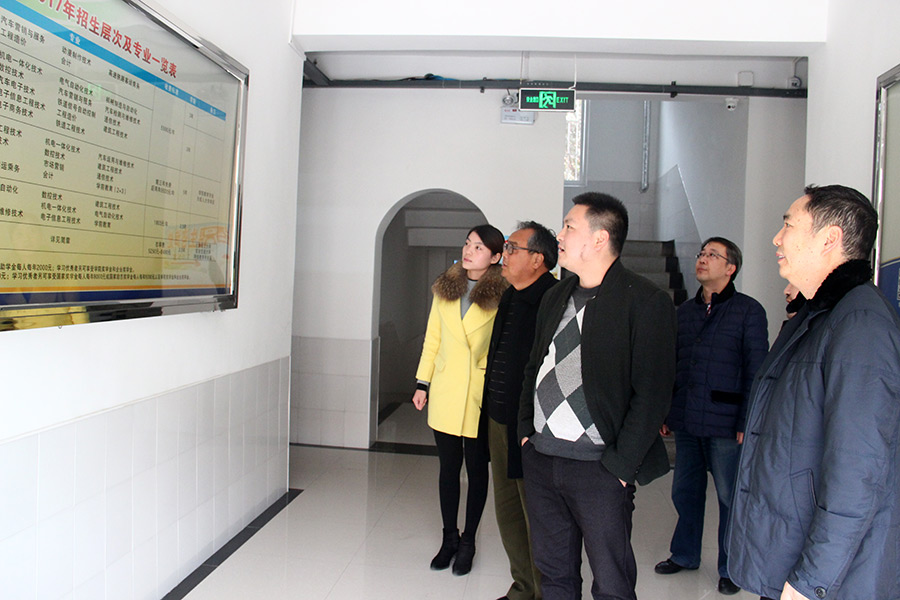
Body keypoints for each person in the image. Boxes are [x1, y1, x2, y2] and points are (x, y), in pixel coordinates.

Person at [727, 184, 900, 600]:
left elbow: (857, 471)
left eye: (788, 225)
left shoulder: (860, 325)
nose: (776, 238)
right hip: (792, 551)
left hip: (834, 579)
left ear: (829, 238)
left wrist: (812, 579)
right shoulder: (817, 316)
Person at [518, 192, 677, 600]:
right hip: (542, 458)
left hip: (599, 468)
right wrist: (525, 434)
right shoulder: (555, 295)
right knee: (554, 576)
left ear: (600, 238)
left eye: (569, 227)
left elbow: (653, 394)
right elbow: (534, 367)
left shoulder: (645, 301)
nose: (560, 234)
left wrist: (620, 467)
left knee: (611, 582)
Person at [654, 237, 768, 596]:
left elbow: (756, 371)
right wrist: (667, 410)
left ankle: (731, 567)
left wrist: (746, 421)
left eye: (712, 255)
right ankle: (685, 554)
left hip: (726, 422)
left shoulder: (748, 311)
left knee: (730, 497)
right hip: (688, 419)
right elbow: (673, 366)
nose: (702, 259)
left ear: (730, 268)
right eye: (702, 253)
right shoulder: (684, 313)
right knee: (685, 492)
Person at [412, 224, 508, 576]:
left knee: (477, 471)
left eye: (479, 247)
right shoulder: (445, 289)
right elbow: (432, 339)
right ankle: (449, 538)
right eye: (468, 244)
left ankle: (469, 542)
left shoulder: (503, 294)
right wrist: (422, 383)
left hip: (481, 393)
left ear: (495, 257)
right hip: (446, 389)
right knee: (448, 469)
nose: (469, 251)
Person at [481, 222, 558, 600]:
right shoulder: (510, 295)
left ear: (538, 259)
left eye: (513, 248)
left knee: (537, 514)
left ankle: (545, 590)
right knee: (508, 507)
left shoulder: (554, 300)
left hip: (531, 427)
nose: (505, 255)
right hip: (499, 419)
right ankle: (523, 586)